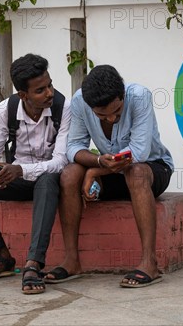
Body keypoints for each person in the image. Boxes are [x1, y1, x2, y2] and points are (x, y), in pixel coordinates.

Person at [45, 64, 174, 287]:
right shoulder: (79, 101)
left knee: (137, 172)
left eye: (117, 112)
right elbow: (74, 147)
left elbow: (139, 152)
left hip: (153, 169)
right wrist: (96, 162)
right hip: (112, 171)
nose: (111, 119)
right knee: (69, 174)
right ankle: (72, 260)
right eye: (101, 115)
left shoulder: (140, 96)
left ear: (122, 94)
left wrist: (95, 170)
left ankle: (149, 263)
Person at [0, 54, 71, 294]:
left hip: (48, 182)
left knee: (49, 179)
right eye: (41, 90)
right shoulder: (4, 110)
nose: (50, 92)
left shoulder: (64, 108)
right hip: (15, 180)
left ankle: (34, 263)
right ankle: (2, 256)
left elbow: (60, 162)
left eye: (50, 84)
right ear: (23, 95)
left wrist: (20, 169)